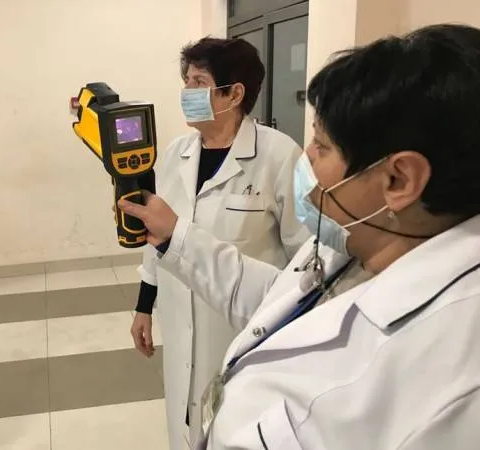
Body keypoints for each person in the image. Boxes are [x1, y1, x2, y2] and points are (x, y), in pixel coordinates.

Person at [120, 23, 480, 449]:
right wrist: (172, 240)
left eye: (322, 147)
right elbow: (281, 296)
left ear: (399, 179)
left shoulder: (452, 378)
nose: (306, 159)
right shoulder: (349, 246)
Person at [129, 37, 310, 450]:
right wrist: (143, 307)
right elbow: (157, 240)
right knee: (185, 422)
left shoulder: (279, 156)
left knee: (236, 428)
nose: (187, 92)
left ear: (234, 94)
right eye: (186, 81)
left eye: (200, 82)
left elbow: (303, 257)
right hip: (179, 322)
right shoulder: (175, 154)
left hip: (240, 329)